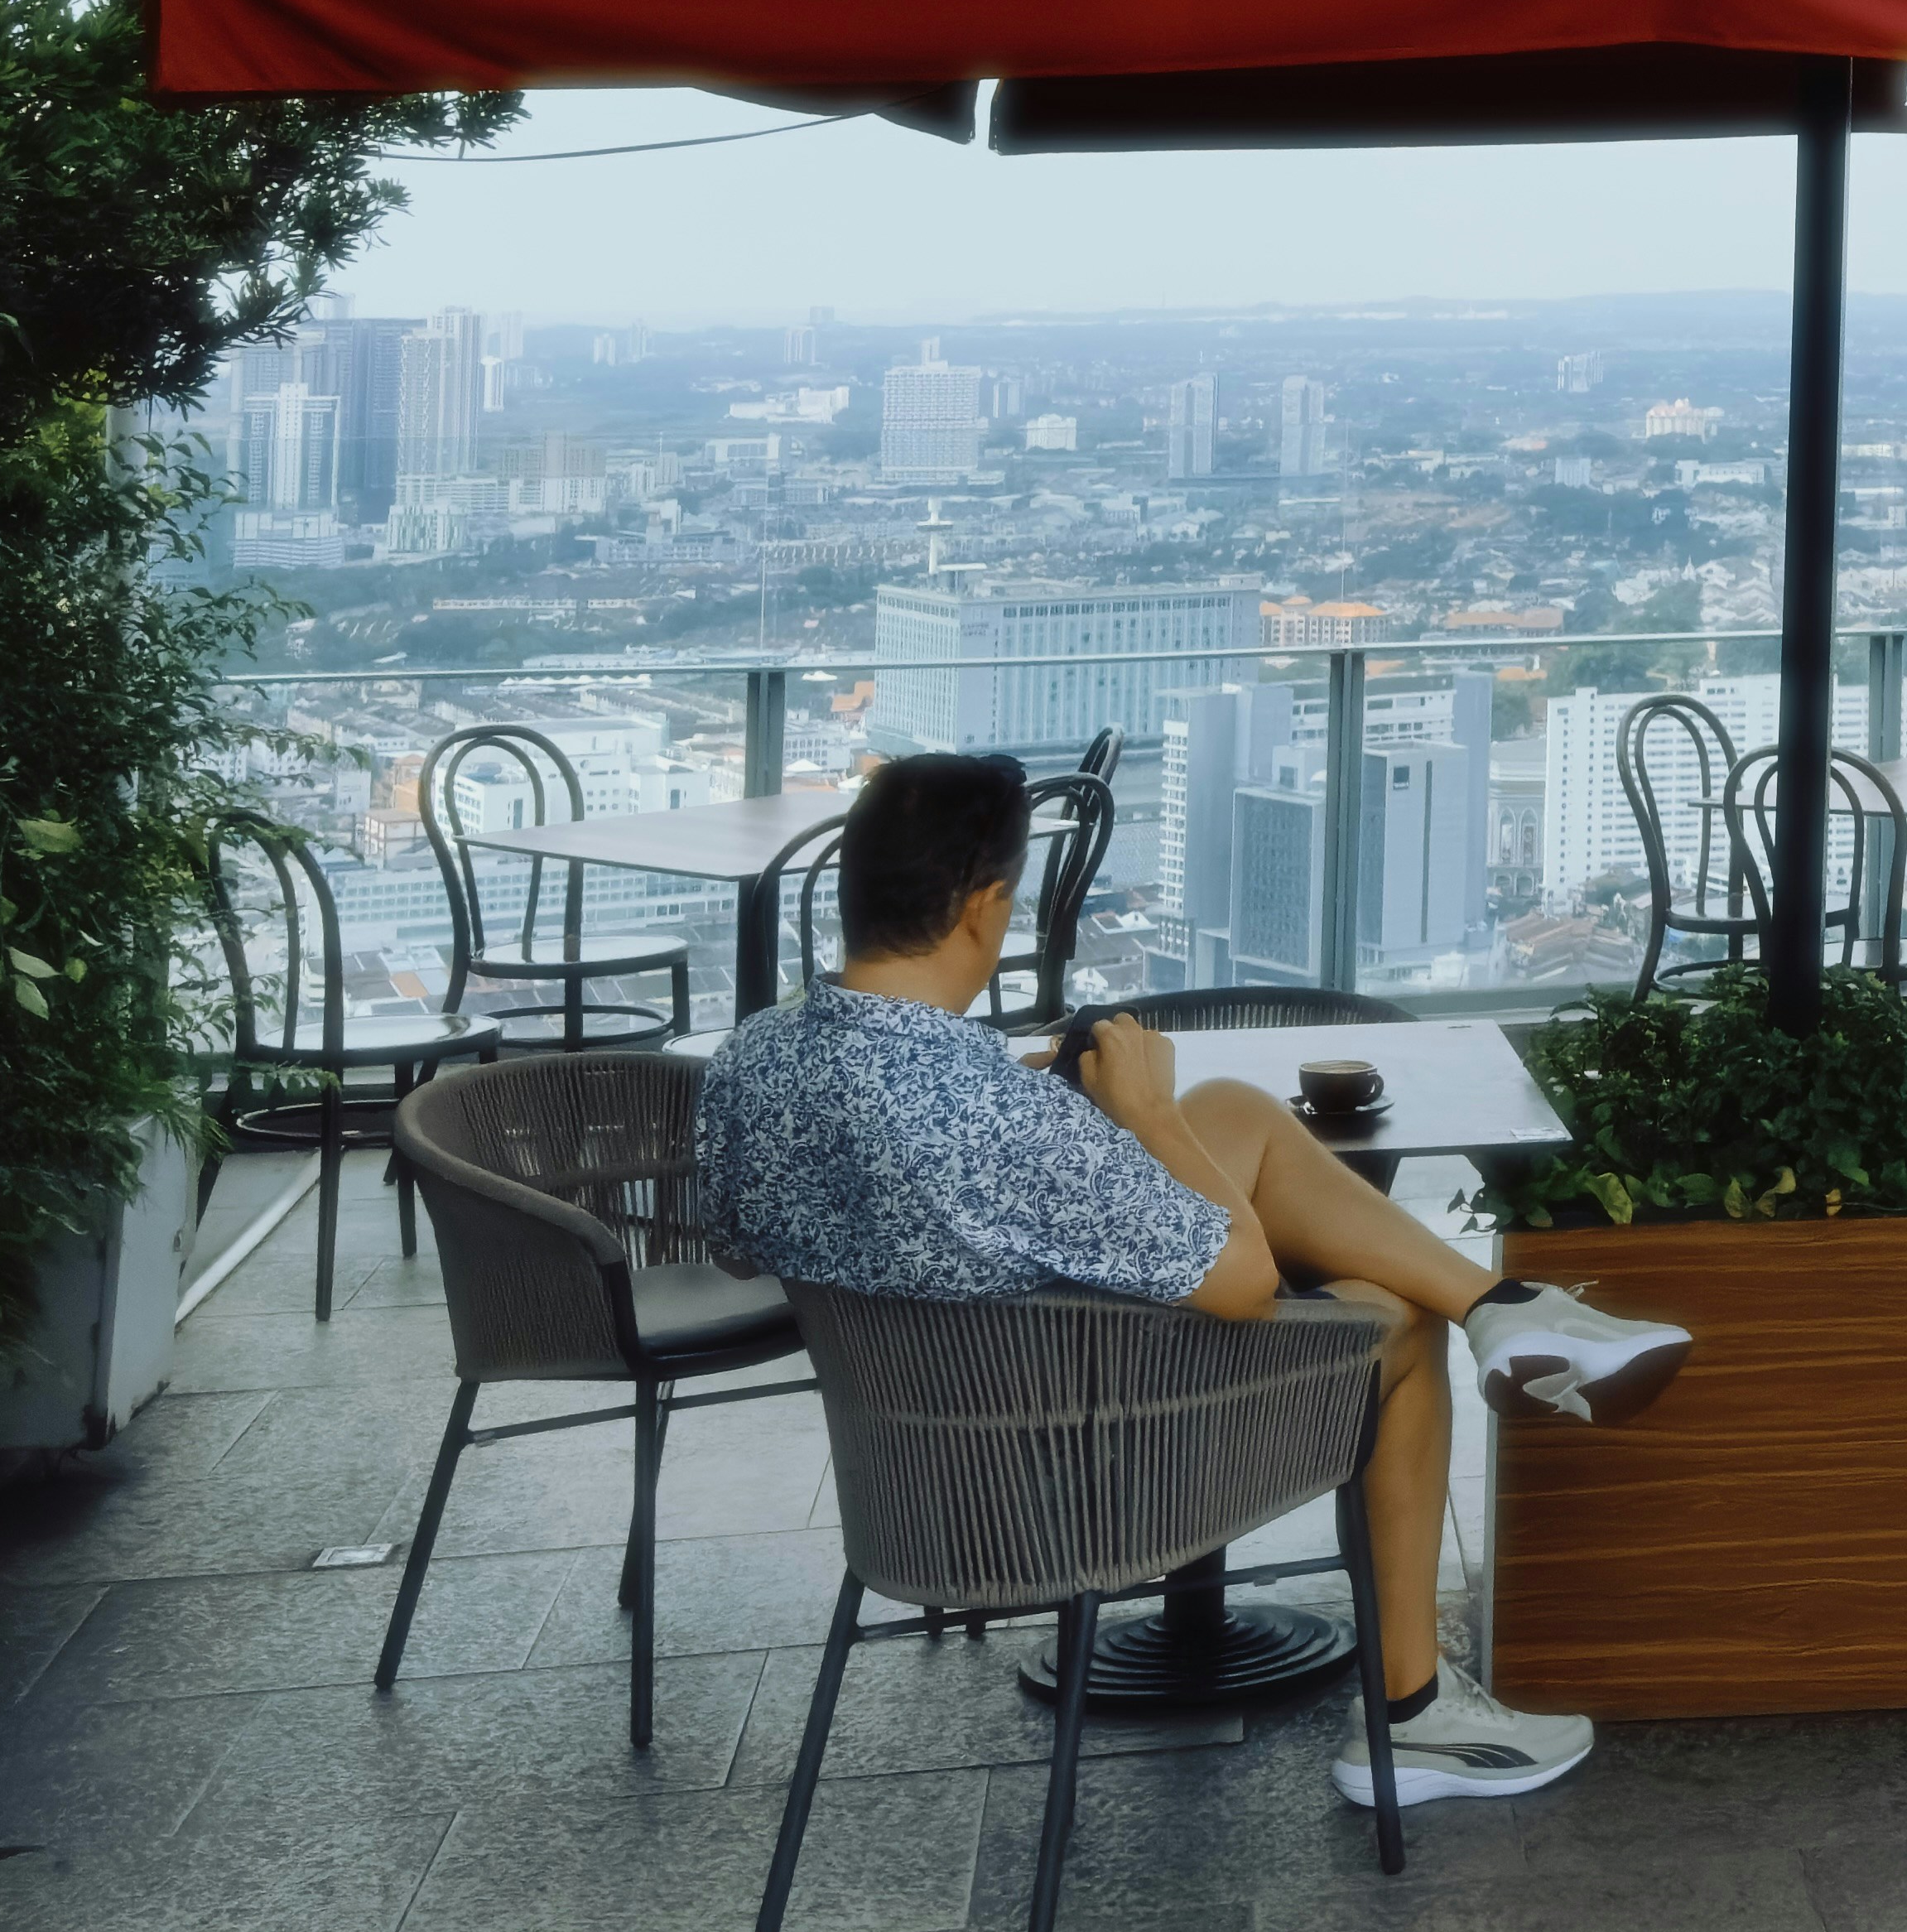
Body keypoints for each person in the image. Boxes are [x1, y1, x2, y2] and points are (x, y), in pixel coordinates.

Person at [696, 749, 1688, 1809]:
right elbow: (1244, 1285)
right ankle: (1412, 1714)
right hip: (1086, 1466)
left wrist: (1055, 1134)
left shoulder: (751, 1060)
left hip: (918, 1464)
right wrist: (1144, 1118)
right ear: (987, 908)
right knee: (1393, 1324)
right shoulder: (994, 1114)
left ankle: (1505, 1312)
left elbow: (739, 1238)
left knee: (1237, 1113)